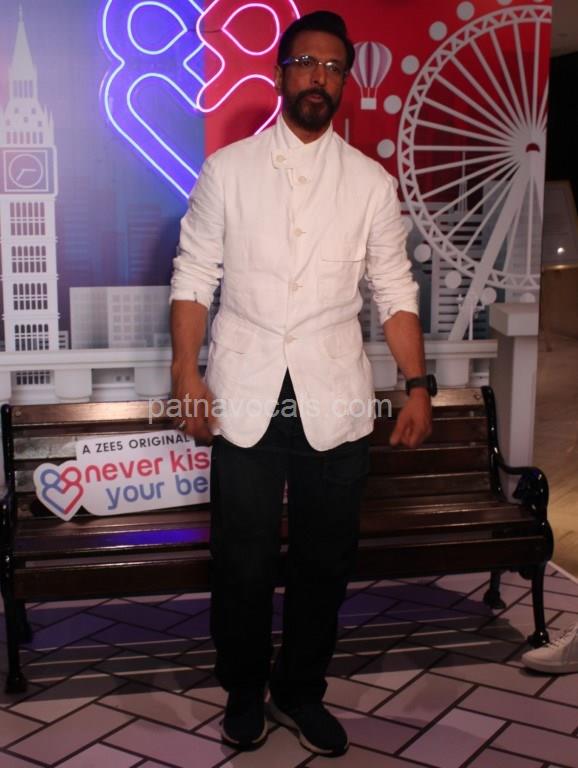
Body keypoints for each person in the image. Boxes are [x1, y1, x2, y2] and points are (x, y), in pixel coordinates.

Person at [170, 10, 432, 757]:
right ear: (281, 73)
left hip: (335, 395)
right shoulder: (229, 171)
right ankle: (244, 690)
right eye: (307, 63)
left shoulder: (371, 183)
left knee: (325, 560)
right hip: (244, 389)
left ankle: (300, 690)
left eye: (333, 67)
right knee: (243, 560)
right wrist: (186, 372)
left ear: (345, 82)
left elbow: (395, 290)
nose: (320, 77)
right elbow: (194, 275)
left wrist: (417, 384)